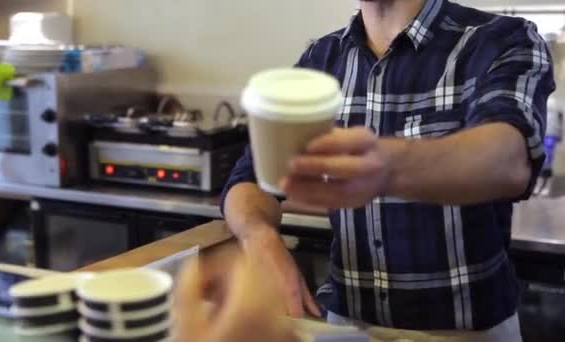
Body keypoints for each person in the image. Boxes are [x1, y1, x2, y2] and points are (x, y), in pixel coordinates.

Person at [221, 0, 555, 341]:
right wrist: (258, 236)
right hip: (347, 329)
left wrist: (387, 168)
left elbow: (510, 160)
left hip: (469, 333)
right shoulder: (321, 59)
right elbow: (249, 179)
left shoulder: (501, 39)